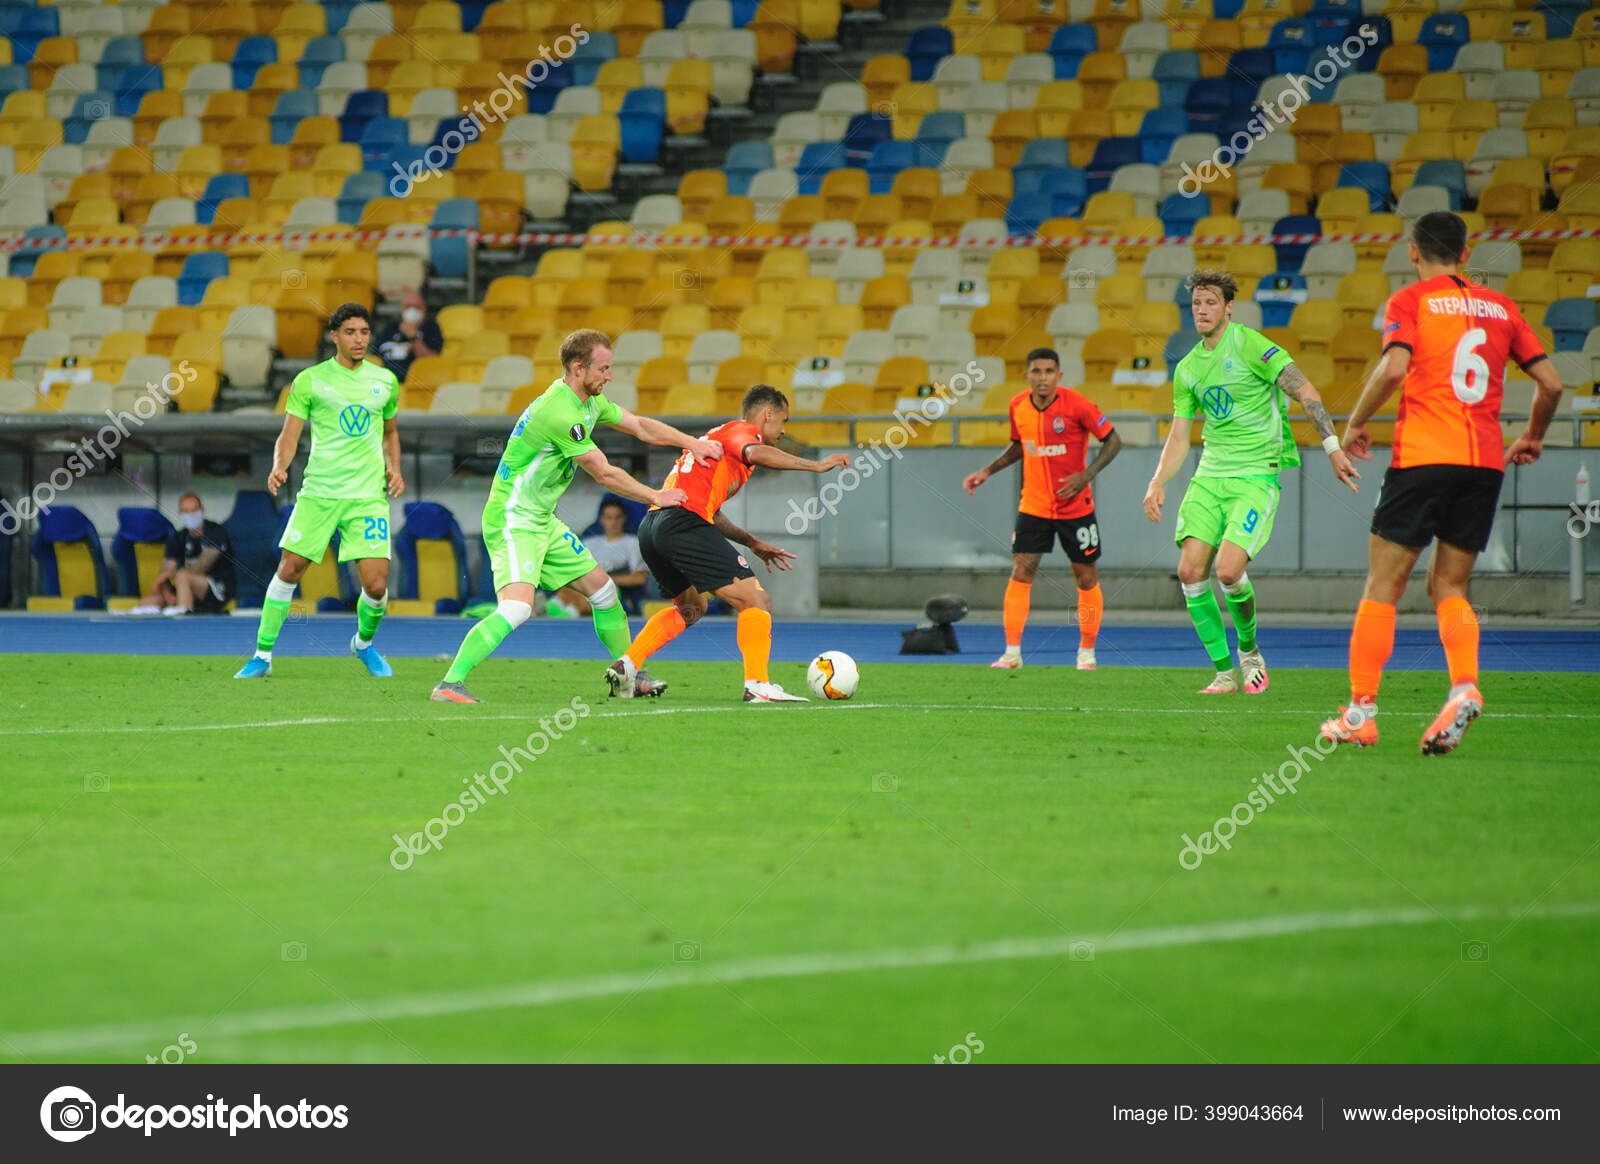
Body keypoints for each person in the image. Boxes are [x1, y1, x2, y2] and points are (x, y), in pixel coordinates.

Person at [1320, 211, 1565, 754]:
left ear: (1413, 252)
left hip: (1424, 456)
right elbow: (1551, 382)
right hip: (1482, 465)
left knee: (1383, 585)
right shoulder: (1502, 307)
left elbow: (1391, 370)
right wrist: (1533, 436)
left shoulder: (1411, 301)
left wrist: (1355, 422)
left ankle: (1360, 712)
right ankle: (1463, 686)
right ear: (1465, 251)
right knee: (1448, 587)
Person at [430, 329, 723, 704]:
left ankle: (630, 675)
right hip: (513, 518)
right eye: (604, 369)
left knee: (603, 592)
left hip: (541, 519)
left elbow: (639, 425)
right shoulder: (561, 412)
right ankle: (449, 684)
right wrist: (656, 495)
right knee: (518, 607)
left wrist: (692, 443)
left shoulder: (587, 402)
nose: (610, 376)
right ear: (578, 367)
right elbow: (604, 473)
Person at [1143, 269, 1360, 693]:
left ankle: (1249, 651)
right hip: (1210, 477)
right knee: (1189, 572)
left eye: (1210, 303)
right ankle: (1224, 672)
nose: (1202, 310)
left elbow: (1305, 389)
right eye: (1196, 304)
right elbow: (1180, 435)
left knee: (1227, 571)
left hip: (1255, 476)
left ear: (1228, 308)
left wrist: (1332, 446)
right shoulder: (1187, 369)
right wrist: (1157, 481)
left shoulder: (1251, 345)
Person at [605, 384, 849, 703]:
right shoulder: (741, 432)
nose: (783, 431)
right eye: (783, 422)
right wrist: (815, 466)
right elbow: (755, 452)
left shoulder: (718, 445)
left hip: (653, 527)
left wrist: (753, 542)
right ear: (768, 414)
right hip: (682, 521)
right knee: (756, 601)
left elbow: (714, 514)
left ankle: (627, 665)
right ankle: (757, 684)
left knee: (692, 607)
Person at [236, 303, 404, 679]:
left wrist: (395, 468)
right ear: (335, 336)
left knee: (376, 586)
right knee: (290, 568)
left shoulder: (385, 381)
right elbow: (290, 434)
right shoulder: (309, 380)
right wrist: (279, 465)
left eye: (364, 332)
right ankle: (262, 656)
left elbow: (391, 432)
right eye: (351, 332)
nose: (359, 339)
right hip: (320, 493)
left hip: (367, 496)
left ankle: (363, 644)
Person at [961, 347, 1123, 671]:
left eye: (1049, 371)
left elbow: (1113, 440)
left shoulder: (1078, 405)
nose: (1043, 378)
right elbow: (1020, 446)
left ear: (1059, 376)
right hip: (1033, 505)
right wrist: (987, 471)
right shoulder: (1017, 406)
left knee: (1085, 577)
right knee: (1021, 571)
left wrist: (1086, 475)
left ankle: (1087, 652)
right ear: (1027, 376)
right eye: (1036, 372)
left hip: (1075, 506)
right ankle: (1011, 653)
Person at [142, 492, 236, 616]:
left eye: (193, 510)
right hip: (183, 588)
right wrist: (168, 594)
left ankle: (183, 624)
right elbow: (164, 573)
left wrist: (173, 574)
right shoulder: (178, 537)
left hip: (217, 590)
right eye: (186, 511)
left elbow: (200, 567)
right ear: (180, 513)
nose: (190, 515)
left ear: (202, 511)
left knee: (182, 576)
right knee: (147, 602)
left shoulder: (215, 532)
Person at [553, 497, 650, 617]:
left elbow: (640, 578)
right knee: (567, 589)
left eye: (617, 517)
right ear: (602, 520)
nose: (613, 522)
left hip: (615, 591)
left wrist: (603, 580)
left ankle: (567, 612)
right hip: (587, 586)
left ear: (624, 519)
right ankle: (553, 609)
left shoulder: (633, 543)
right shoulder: (589, 542)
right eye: (609, 518)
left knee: (591, 594)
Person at [374, 291, 443, 383]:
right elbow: (374, 357)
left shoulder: (431, 328)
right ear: (402, 309)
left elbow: (430, 362)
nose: (412, 310)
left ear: (424, 309)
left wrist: (413, 337)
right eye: (408, 307)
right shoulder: (390, 328)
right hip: (383, 381)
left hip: (413, 381)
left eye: (417, 307)